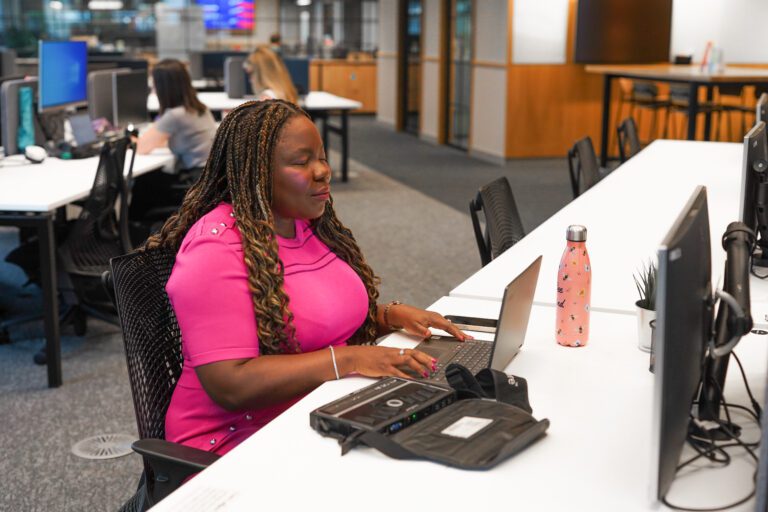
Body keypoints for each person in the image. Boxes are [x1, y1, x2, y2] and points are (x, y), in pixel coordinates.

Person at [144, 100, 471, 455]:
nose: (322, 171)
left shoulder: (303, 224)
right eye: (301, 162)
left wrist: (386, 317)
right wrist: (351, 359)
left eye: (321, 157)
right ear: (255, 172)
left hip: (317, 409)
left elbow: (309, 323)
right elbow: (230, 385)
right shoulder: (214, 249)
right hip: (233, 445)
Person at [130, 59, 217, 222]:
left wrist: (128, 139)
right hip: (206, 181)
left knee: (143, 181)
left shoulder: (175, 115)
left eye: (154, 83)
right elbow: (179, 140)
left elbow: (142, 148)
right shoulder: (199, 108)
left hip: (191, 184)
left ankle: (133, 228)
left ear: (163, 86)